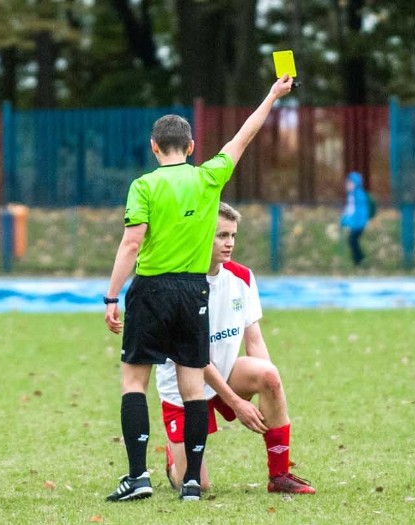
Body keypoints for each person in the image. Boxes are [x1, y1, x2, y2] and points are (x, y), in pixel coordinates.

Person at [104, 74, 294, 502]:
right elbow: (243, 137)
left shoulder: (144, 185)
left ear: (155, 148)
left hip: (150, 290)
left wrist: (112, 296)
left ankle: (138, 478)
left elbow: (132, 243)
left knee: (134, 383)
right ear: (190, 148)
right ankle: (191, 484)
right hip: (193, 293)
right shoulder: (208, 177)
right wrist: (272, 94)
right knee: (193, 390)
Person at [155, 202, 316, 495]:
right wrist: (237, 403)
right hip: (184, 386)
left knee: (268, 374)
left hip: (227, 374)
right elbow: (196, 359)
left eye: (233, 235)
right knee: (197, 485)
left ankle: (279, 475)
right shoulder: (180, 284)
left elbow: (253, 339)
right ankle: (172, 457)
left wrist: (268, 382)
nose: (229, 243)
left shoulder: (241, 277)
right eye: (221, 235)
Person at [340, 171, 371, 266]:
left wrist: (348, 221)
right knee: (352, 241)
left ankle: (359, 260)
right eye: (347, 183)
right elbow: (349, 210)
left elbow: (357, 211)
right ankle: (358, 260)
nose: (348, 185)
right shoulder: (352, 195)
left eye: (350, 183)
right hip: (355, 223)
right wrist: (344, 218)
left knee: (352, 240)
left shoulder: (358, 195)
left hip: (358, 224)